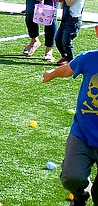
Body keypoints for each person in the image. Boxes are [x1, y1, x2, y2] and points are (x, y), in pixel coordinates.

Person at [43, 47, 98, 206]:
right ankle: (81, 196)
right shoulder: (88, 58)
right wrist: (50, 74)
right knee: (71, 177)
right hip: (82, 133)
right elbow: (68, 69)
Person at [55, 0, 85, 66]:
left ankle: (71, 60)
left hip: (73, 22)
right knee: (58, 39)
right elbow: (65, 3)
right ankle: (65, 56)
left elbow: (69, 3)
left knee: (66, 41)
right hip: (65, 20)